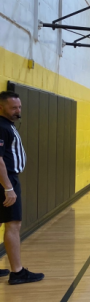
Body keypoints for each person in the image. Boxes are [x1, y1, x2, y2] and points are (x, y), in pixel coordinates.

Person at [0, 91, 43, 285]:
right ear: (2, 107)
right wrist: (8, 187)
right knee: (13, 224)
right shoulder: (2, 127)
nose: (18, 111)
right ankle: (17, 272)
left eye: (19, 107)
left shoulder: (7, 125)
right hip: (6, 180)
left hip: (7, 180)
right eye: (13, 108)